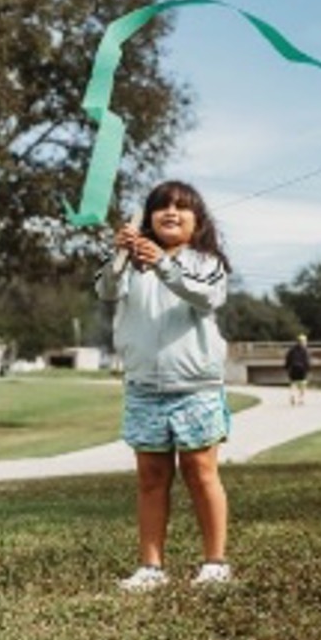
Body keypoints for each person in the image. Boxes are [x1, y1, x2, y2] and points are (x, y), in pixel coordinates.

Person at [95, 180, 235, 592]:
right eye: (161, 207)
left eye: (182, 208)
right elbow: (105, 291)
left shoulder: (206, 262)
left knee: (200, 471)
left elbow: (206, 298)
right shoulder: (129, 264)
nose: (171, 213)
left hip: (196, 386)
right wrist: (120, 252)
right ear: (148, 219)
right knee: (151, 477)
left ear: (198, 221)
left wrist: (162, 264)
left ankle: (215, 562)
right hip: (143, 387)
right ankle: (151, 567)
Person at [284, 334, 311, 405]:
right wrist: (308, 368)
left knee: (293, 384)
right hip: (302, 369)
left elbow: (288, 359)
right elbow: (307, 361)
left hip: (293, 368)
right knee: (303, 384)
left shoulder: (292, 350)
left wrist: (287, 367)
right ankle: (301, 399)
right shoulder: (305, 351)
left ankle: (293, 395)